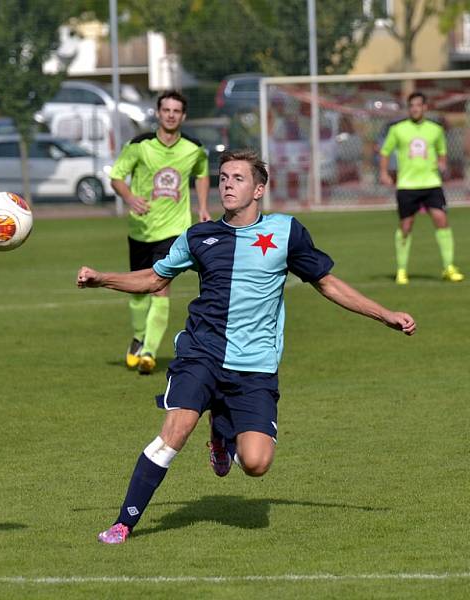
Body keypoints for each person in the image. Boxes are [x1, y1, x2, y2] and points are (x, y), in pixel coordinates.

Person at [77, 150, 416, 545]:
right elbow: (154, 279)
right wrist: (103, 279)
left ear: (258, 189)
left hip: (254, 364)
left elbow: (328, 283)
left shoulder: (286, 233)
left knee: (255, 464)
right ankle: (123, 523)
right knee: (176, 429)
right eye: (223, 178)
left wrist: (384, 314)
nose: (226, 184)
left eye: (237, 178)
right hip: (201, 352)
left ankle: (222, 431)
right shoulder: (198, 236)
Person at [110, 90, 210, 375]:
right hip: (141, 229)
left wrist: (202, 206)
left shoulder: (193, 148)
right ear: (158, 113)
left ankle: (150, 353)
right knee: (138, 292)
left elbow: (202, 173)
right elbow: (117, 176)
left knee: (161, 287)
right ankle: (140, 338)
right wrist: (130, 198)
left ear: (183, 116)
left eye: (176, 111)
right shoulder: (139, 145)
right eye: (166, 110)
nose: (170, 115)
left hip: (174, 230)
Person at [379, 92, 464, 284]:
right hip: (407, 186)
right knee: (406, 226)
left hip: (432, 184)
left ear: (425, 107)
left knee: (441, 220)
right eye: (412, 106)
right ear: (408, 108)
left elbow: (442, 152)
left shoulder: (435, 129)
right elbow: (385, 152)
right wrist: (384, 173)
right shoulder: (398, 129)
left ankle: (449, 267)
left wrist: (442, 164)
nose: (415, 109)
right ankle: (402, 270)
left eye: (418, 105)